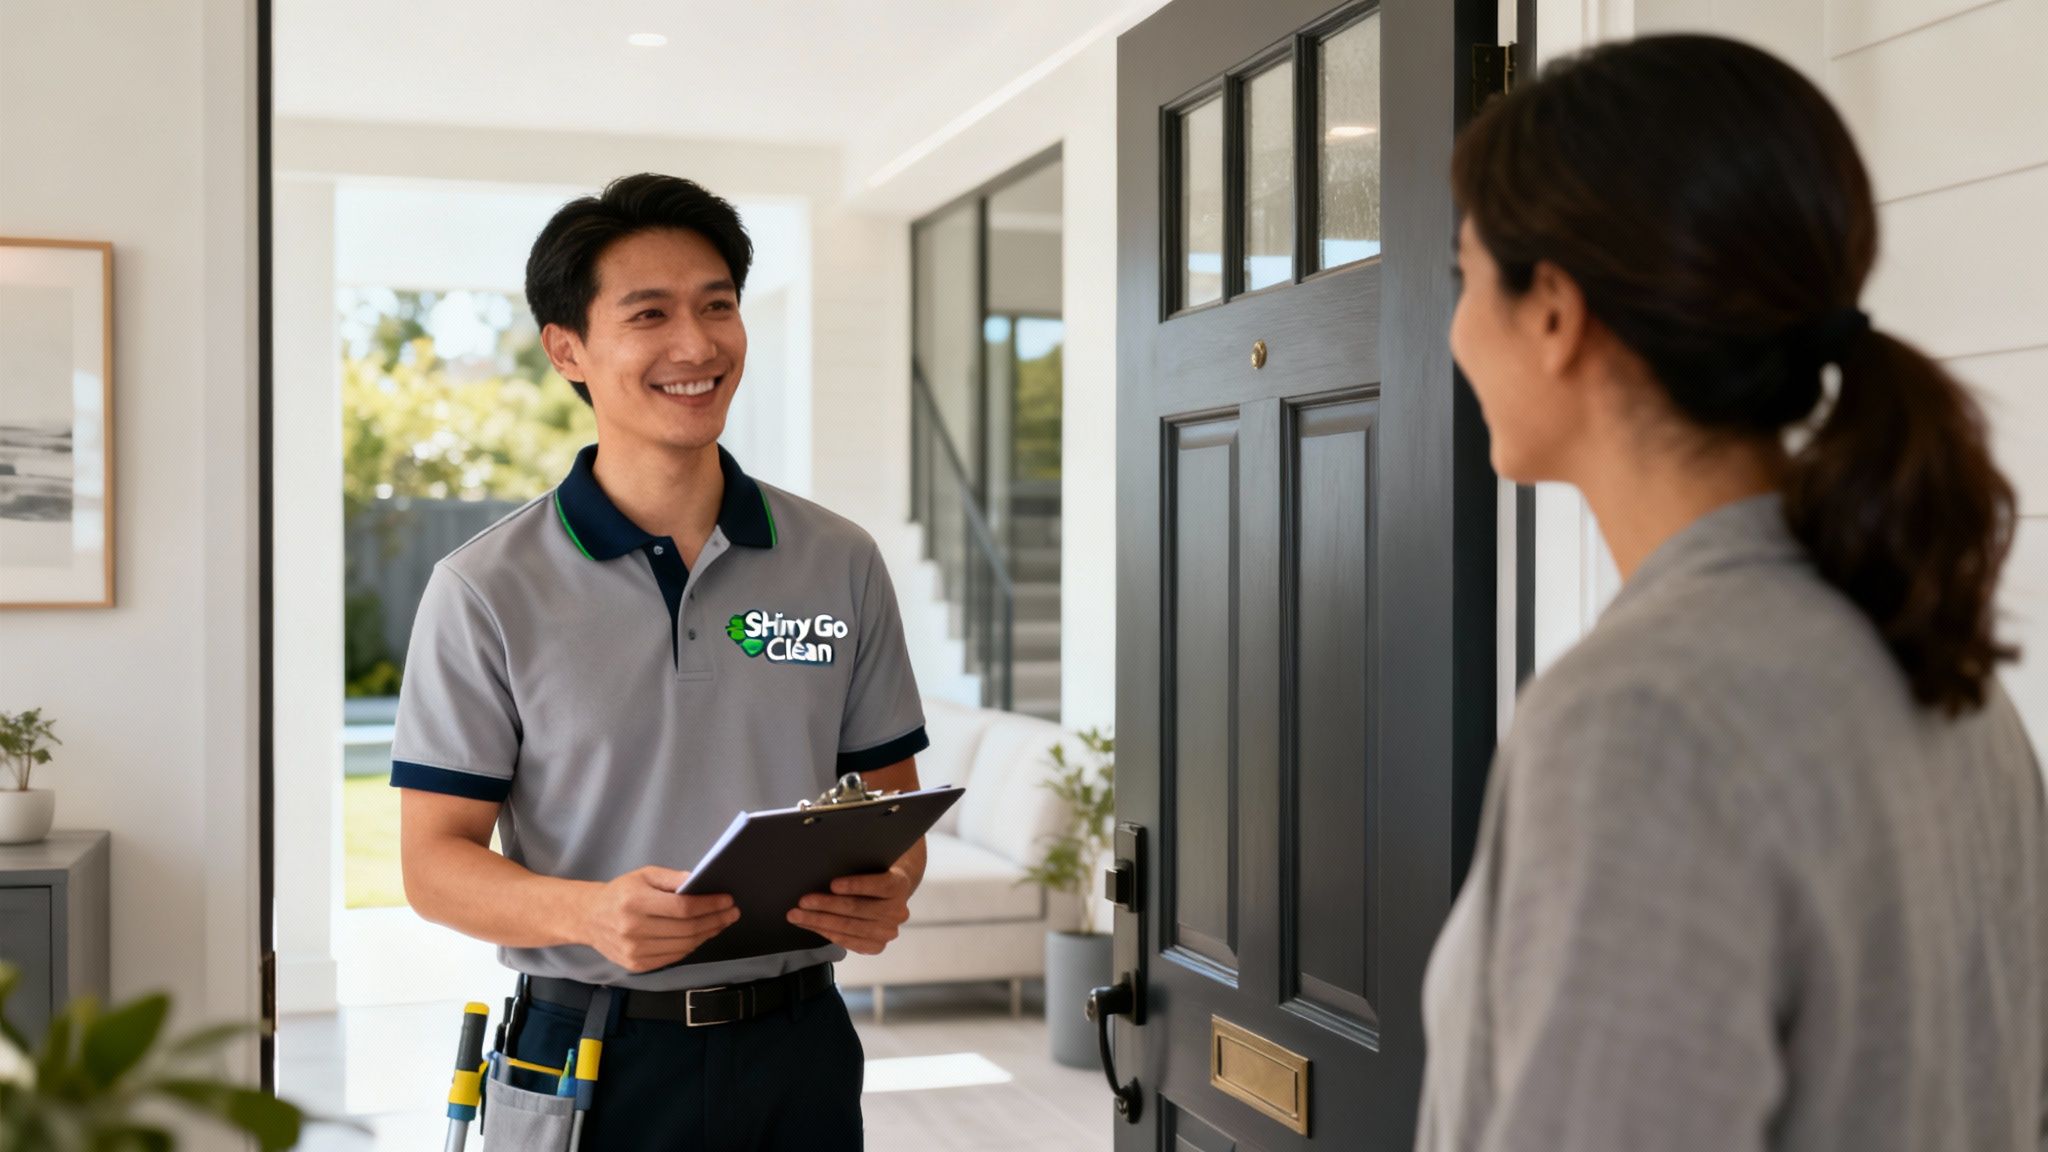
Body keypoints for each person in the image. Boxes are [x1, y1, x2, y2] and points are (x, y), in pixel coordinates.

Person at [1419, 35, 2044, 1152]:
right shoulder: (1949, 676)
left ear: (1554, 312)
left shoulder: (1641, 720)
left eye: (1462, 275)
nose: (1455, 329)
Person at [391, 173, 929, 1150]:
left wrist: (886, 886)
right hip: (589, 1057)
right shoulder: (484, 588)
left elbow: (890, 809)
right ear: (569, 350)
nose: (696, 344)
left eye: (717, 305)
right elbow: (432, 866)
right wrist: (589, 912)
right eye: (650, 314)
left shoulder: (838, 560)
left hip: (802, 1048)